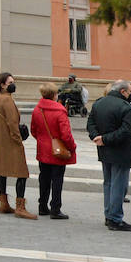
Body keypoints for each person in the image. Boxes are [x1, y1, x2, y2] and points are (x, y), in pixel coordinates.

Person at [87, 79, 131, 231]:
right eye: (130, 91)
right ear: (123, 91)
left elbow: (90, 124)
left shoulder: (98, 103)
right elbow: (126, 131)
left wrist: (98, 138)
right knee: (118, 185)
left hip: (104, 150)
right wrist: (105, 139)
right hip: (121, 151)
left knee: (108, 183)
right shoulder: (126, 107)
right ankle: (115, 218)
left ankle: (109, 215)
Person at [0, 72, 36, 219]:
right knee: (22, 173)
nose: (13, 85)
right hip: (11, 142)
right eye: (10, 83)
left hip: (0, 142)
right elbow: (12, 123)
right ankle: (20, 207)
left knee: (2, 172)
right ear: (2, 85)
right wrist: (18, 140)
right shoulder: (7, 100)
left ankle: (3, 203)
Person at [31, 80, 77, 219]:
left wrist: (42, 140)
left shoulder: (37, 109)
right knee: (57, 180)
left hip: (43, 149)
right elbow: (66, 135)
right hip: (58, 150)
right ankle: (55, 208)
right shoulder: (60, 111)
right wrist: (72, 147)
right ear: (54, 95)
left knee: (43, 178)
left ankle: (42, 206)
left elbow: (34, 130)